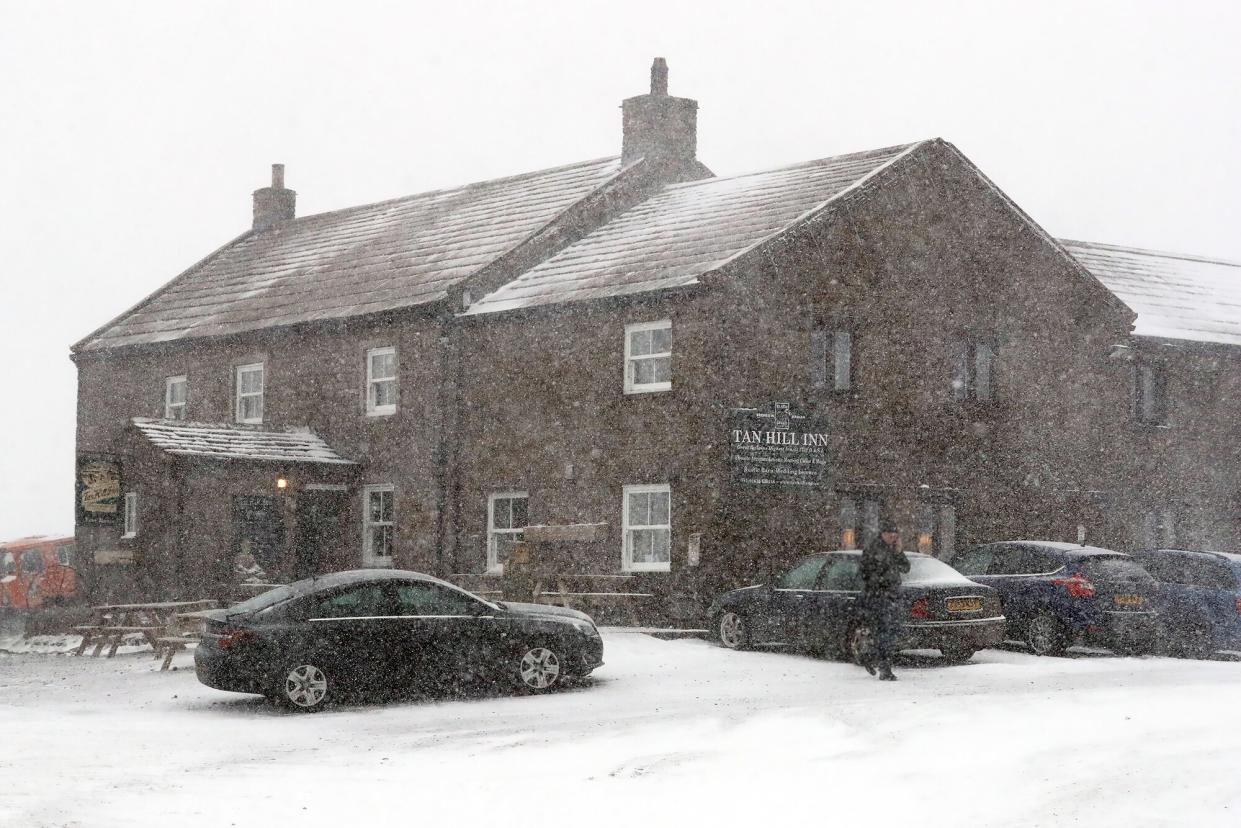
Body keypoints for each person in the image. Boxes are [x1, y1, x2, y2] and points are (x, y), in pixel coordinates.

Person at [858, 520, 910, 681]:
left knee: (893, 632)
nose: (893, 537)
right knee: (885, 632)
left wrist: (899, 551)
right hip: (878, 596)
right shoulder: (874, 549)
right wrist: (879, 584)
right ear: (883, 534)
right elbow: (866, 573)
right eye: (890, 534)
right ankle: (885, 669)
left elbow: (906, 568)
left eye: (896, 535)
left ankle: (868, 656)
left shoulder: (894, 550)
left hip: (894, 596)